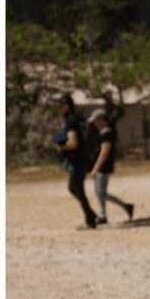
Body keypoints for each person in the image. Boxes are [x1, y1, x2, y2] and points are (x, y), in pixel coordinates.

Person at [54, 93, 97, 229]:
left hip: (77, 160)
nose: (59, 108)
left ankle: (90, 218)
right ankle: (90, 214)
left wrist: (60, 146)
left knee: (76, 188)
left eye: (61, 105)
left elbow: (73, 143)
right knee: (75, 188)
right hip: (83, 158)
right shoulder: (78, 118)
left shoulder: (71, 121)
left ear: (66, 106)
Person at [86, 109, 134, 224]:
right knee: (99, 192)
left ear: (102, 120)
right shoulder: (104, 133)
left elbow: (104, 152)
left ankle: (125, 206)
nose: (95, 124)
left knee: (101, 193)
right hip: (102, 167)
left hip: (104, 168)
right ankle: (103, 215)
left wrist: (95, 169)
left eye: (96, 121)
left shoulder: (107, 134)